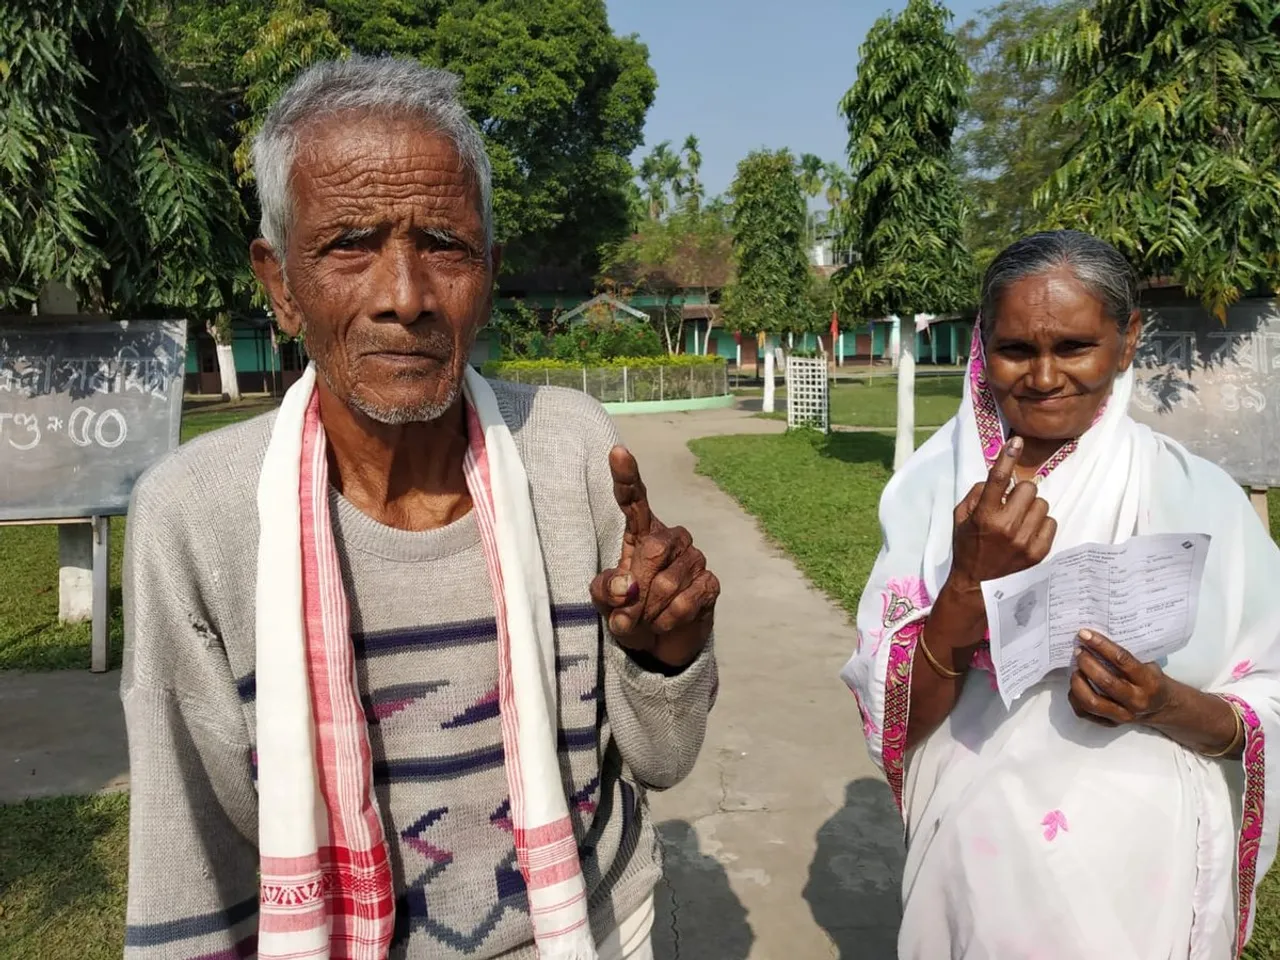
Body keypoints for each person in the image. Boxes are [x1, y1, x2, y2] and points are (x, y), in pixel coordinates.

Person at [121, 56, 720, 960]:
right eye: (350, 244)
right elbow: (186, 850)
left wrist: (662, 654)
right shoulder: (197, 519)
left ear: (490, 269)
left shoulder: (572, 451)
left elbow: (663, 765)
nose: (405, 297)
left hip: (597, 933)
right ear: (280, 284)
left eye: (445, 245)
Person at [843, 230, 1280, 959]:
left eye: (1075, 347)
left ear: (1128, 337)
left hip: (1141, 881)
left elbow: (1270, 689)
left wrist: (1161, 702)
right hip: (979, 869)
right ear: (985, 344)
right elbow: (894, 721)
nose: (1044, 378)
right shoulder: (928, 495)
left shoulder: (1199, 498)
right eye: (1017, 349)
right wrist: (965, 586)